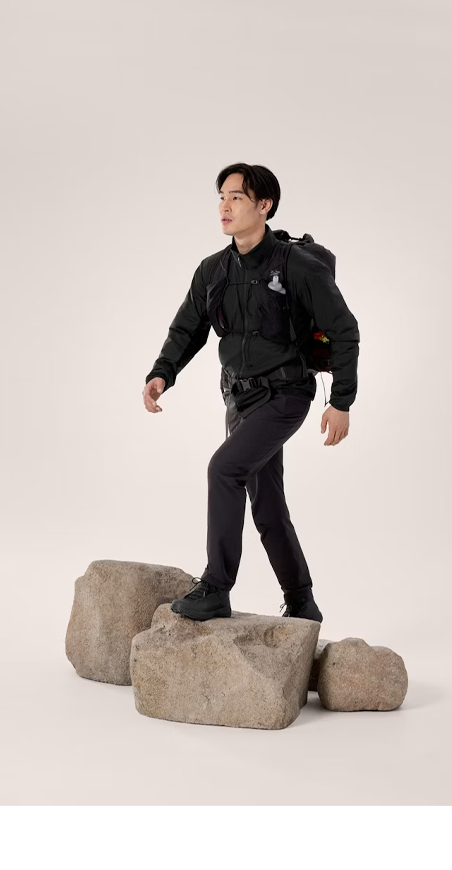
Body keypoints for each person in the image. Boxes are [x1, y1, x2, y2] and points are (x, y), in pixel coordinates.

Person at [141, 162, 359, 623]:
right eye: (221, 196)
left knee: (224, 469)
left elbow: (344, 330)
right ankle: (302, 601)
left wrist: (341, 401)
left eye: (236, 197)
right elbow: (187, 328)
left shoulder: (298, 266)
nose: (225, 205)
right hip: (239, 400)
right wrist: (163, 373)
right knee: (267, 503)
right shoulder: (213, 270)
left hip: (286, 395)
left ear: (264, 206)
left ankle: (216, 586)